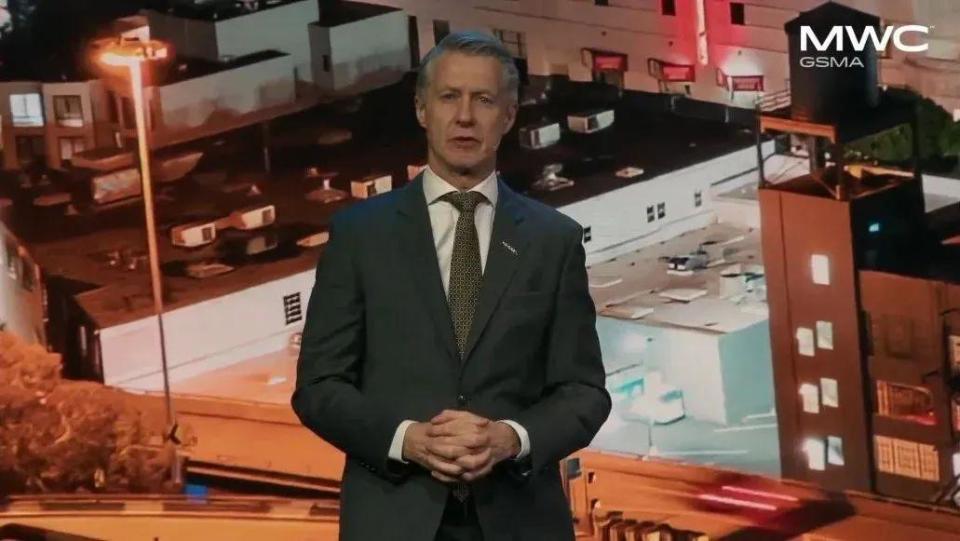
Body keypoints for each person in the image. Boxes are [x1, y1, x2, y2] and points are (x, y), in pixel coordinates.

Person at [291, 31, 611, 541]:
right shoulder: (360, 235)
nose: (465, 117)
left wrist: (510, 439)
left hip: (520, 522)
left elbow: (583, 393)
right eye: (448, 97)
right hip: (393, 522)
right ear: (422, 110)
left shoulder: (553, 241)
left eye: (483, 100)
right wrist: (407, 440)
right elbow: (319, 388)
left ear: (508, 116)